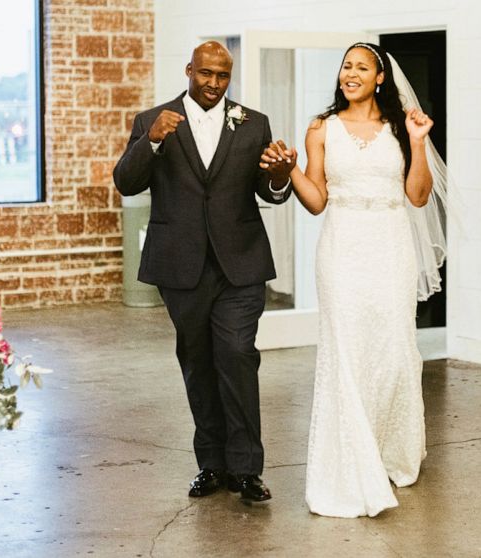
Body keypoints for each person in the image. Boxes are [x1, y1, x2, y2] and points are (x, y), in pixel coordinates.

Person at [260, 42, 447, 517]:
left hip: (391, 245)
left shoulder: (401, 129)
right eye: (346, 66)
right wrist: (291, 171)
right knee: (345, 349)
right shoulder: (321, 128)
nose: (351, 73)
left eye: (362, 67)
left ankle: (390, 451)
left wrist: (420, 141)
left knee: (394, 351)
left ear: (379, 78)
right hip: (342, 246)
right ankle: (349, 461)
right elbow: (317, 199)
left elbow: (419, 197)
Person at [113, 41, 293, 503]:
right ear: (189, 69)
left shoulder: (255, 124)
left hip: (241, 263)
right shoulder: (153, 119)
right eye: (206, 74)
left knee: (236, 353)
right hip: (182, 265)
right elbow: (126, 182)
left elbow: (270, 192)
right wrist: (152, 140)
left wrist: (280, 175)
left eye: (223, 76)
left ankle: (247, 469)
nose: (214, 83)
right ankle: (211, 465)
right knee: (198, 362)